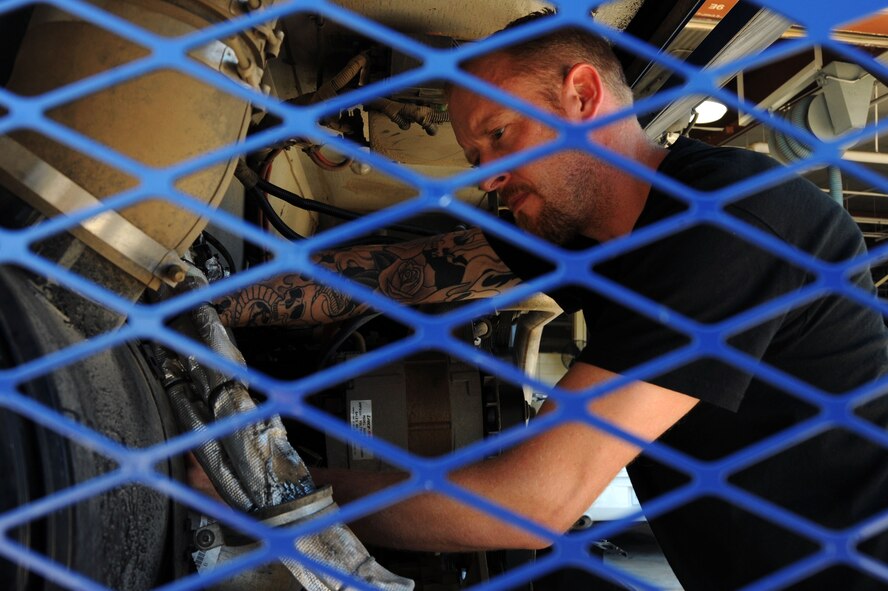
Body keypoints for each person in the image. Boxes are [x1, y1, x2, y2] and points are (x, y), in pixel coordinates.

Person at [215, 10, 888, 590]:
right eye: (476, 156)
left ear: (582, 94)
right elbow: (396, 272)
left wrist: (264, 492)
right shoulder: (584, 230)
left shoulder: (733, 219)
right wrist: (215, 301)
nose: (489, 173)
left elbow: (532, 503)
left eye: (501, 134)